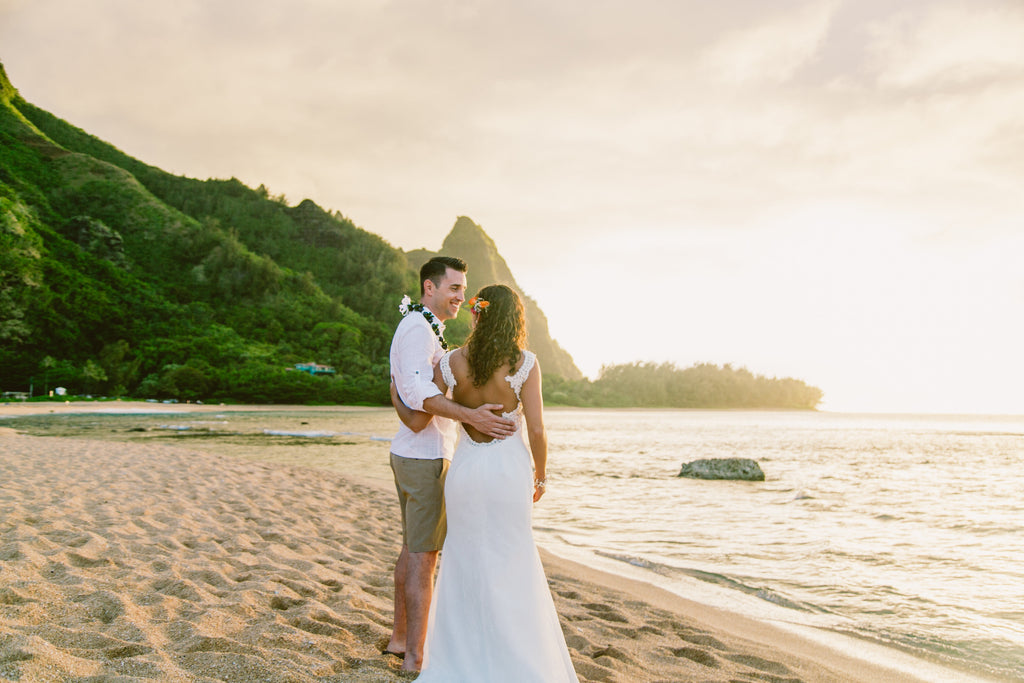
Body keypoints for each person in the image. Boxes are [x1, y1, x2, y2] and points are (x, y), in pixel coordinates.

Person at [396, 283, 579, 683]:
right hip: (507, 474)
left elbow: (417, 404)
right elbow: (537, 430)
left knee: (463, 559)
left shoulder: (450, 363)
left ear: (477, 314)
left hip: (465, 473)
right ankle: (516, 659)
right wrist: (542, 475)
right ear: (515, 319)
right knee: (512, 559)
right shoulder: (525, 363)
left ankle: (458, 659)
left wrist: (396, 389)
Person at [386, 257, 516, 673]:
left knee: (412, 550)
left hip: (417, 453)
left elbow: (412, 399)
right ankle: (415, 658)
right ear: (430, 287)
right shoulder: (416, 330)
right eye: (454, 288)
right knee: (424, 557)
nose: (462, 296)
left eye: (465, 290)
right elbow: (419, 402)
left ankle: (400, 639)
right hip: (422, 459)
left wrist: (399, 395)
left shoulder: (425, 328)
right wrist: (473, 416)